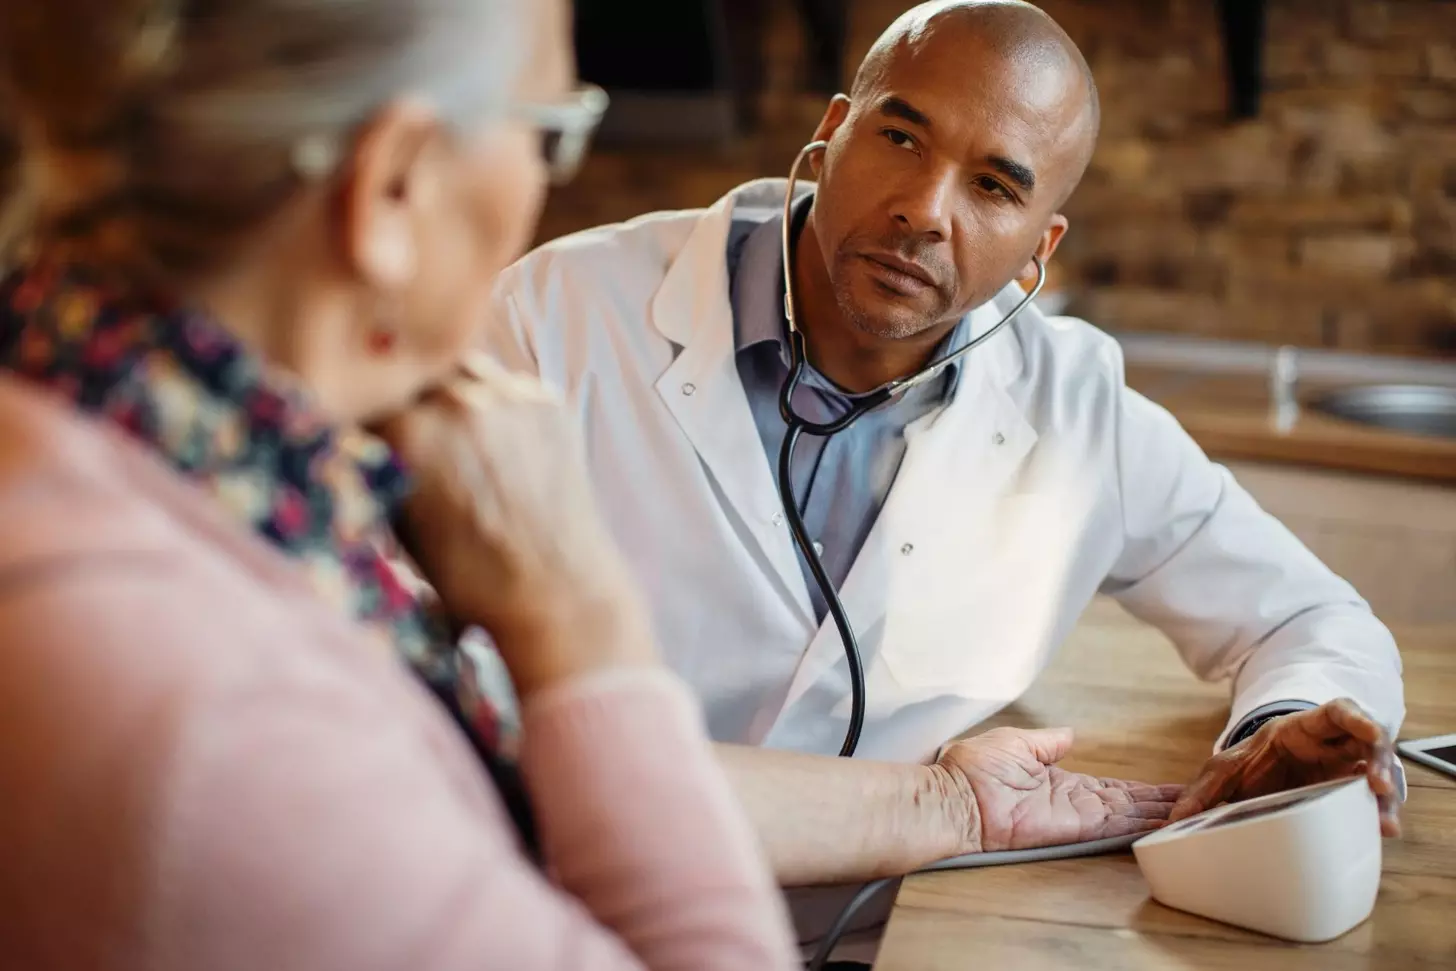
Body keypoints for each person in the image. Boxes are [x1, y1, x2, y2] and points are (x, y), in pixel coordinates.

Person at [484, 0, 1405, 943]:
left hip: (879, 941)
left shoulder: (1077, 407)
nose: (924, 209)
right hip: (561, 923)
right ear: (831, 133)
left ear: (1039, 248)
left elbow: (1313, 616)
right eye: (900, 137)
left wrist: (1279, 726)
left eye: (996, 187)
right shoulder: (556, 318)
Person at [0, 0, 800, 968]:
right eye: (550, 132)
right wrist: (582, 622)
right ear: (393, 185)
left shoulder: (97, 421)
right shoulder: (238, 729)